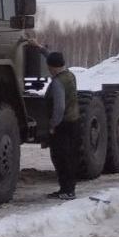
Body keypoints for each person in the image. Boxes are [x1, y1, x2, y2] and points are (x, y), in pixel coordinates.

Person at [44, 51, 82, 200]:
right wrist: (40, 48)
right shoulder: (70, 75)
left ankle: (67, 191)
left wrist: (53, 125)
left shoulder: (57, 82)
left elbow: (59, 107)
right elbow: (54, 58)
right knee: (70, 157)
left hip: (62, 125)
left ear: (52, 67)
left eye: (49, 66)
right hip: (73, 122)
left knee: (61, 159)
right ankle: (68, 189)